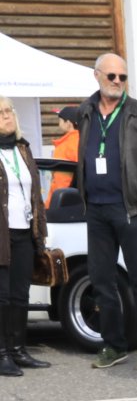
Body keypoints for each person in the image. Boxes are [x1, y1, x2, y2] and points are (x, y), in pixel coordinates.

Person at [71, 53, 137, 370]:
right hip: (96, 209)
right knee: (101, 280)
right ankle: (113, 345)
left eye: (122, 77)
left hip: (131, 208)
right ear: (97, 75)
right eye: (111, 76)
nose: (117, 82)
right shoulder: (85, 112)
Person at [0, 96, 50, 377]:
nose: (7, 116)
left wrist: (40, 233)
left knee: (21, 294)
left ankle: (18, 350)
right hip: (1, 234)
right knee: (3, 297)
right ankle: (2, 354)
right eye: (1, 112)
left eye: (9, 111)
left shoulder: (23, 149)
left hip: (24, 232)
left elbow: (36, 197)